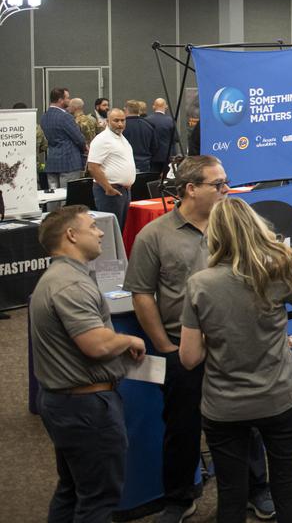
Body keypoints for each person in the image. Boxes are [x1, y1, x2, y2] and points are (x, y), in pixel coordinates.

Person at [124, 156, 274, 523]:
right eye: (218, 184)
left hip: (235, 347)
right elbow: (142, 293)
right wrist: (165, 347)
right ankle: (179, 497)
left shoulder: (236, 230)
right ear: (190, 189)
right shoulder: (154, 235)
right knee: (182, 428)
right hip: (182, 350)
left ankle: (258, 489)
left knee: (248, 422)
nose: (226, 189)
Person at [179, 198, 292, 522]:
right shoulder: (276, 271)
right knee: (287, 489)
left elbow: (189, 357)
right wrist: (282, 251)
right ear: (257, 229)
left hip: (224, 405)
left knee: (231, 494)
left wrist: (218, 335)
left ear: (215, 235)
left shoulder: (199, 284)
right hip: (279, 397)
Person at [31, 205, 146, 522]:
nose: (99, 233)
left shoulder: (59, 278)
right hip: (85, 407)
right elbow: (96, 344)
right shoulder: (72, 285)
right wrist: (129, 340)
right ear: (71, 235)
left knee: (72, 491)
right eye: (91, 226)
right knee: (97, 500)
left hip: (70, 403)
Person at [86, 108, 135, 231]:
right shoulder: (102, 139)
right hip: (109, 191)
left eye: (123, 120)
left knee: (121, 230)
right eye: (116, 121)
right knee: (110, 231)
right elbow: (92, 166)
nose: (120, 124)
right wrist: (108, 188)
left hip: (123, 191)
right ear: (107, 121)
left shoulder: (122, 138)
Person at [41, 87, 86, 190]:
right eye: (67, 98)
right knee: (68, 197)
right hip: (69, 162)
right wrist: (85, 148)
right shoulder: (66, 117)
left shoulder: (44, 117)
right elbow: (78, 138)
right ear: (60, 100)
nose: (69, 101)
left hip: (52, 161)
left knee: (53, 198)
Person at [145, 98, 180, 175]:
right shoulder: (170, 120)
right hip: (168, 156)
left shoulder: (147, 120)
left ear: (153, 107)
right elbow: (176, 138)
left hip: (152, 156)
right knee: (167, 179)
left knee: (152, 179)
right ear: (166, 106)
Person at [123, 99, 157, 172]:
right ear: (139, 110)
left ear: (125, 110)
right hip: (144, 164)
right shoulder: (149, 125)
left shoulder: (121, 126)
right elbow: (154, 147)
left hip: (125, 164)